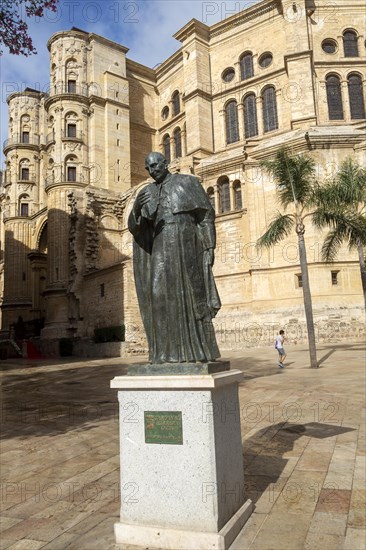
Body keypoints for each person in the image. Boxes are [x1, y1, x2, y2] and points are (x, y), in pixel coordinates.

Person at [128, 152, 221, 364]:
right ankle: (162, 352)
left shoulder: (186, 182)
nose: (152, 171)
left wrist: (209, 246)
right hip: (161, 245)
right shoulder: (147, 191)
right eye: (148, 168)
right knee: (157, 294)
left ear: (165, 163)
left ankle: (198, 351)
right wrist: (136, 209)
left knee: (191, 292)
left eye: (155, 165)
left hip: (186, 241)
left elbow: (206, 216)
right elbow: (136, 227)